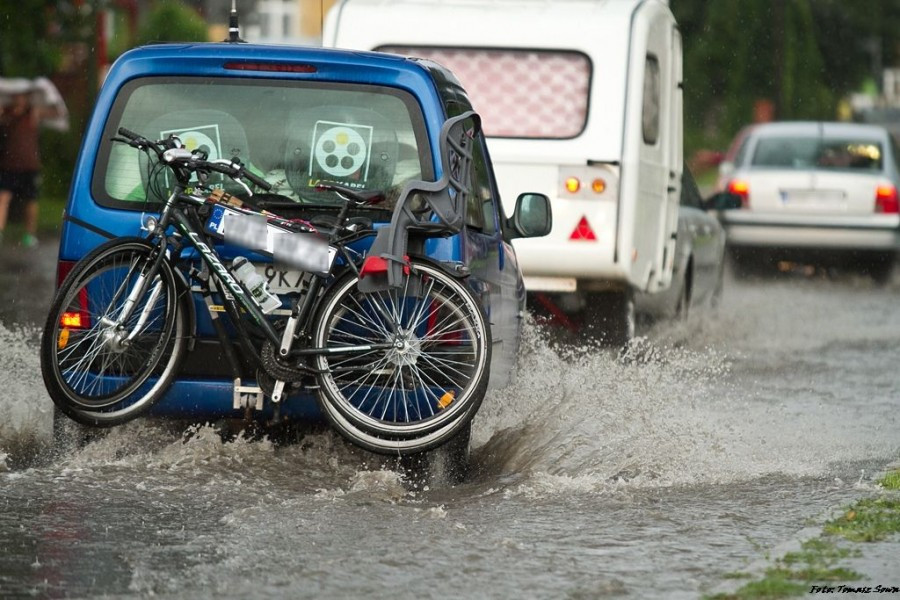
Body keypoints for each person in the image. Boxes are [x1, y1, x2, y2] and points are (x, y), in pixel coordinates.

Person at [0, 89, 58, 248]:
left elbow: (57, 113)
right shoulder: (6, 114)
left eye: (22, 96)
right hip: (9, 165)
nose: (19, 99)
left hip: (29, 166)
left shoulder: (33, 113)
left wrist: (50, 101)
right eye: (17, 95)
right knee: (3, 197)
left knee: (31, 200)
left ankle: (29, 234)